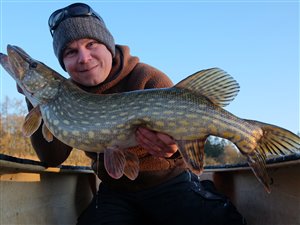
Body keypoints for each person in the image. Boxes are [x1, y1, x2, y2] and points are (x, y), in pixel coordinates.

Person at [21, 3, 246, 225]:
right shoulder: (66, 96)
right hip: (115, 191)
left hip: (169, 183)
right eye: (71, 52)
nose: (84, 57)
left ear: (108, 45)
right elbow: (52, 158)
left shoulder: (148, 78)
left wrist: (173, 150)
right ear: (63, 64)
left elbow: (185, 137)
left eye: (91, 44)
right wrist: (33, 100)